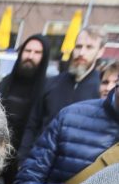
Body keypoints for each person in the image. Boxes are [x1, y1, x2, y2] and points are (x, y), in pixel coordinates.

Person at [18, 26, 105, 160]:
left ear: (100, 52)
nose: (81, 52)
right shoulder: (52, 83)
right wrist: (22, 158)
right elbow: (33, 123)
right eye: (78, 46)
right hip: (37, 161)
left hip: (75, 168)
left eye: (89, 47)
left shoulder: (102, 90)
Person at [0, 35, 50, 184]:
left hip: (24, 161)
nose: (30, 56)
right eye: (28, 50)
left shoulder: (47, 89)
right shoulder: (6, 83)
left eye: (37, 52)